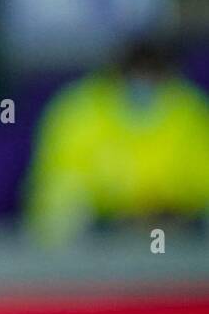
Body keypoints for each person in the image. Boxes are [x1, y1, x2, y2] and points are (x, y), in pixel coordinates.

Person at [22, 35, 209, 247]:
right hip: (102, 238)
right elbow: (58, 191)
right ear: (116, 73)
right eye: (136, 73)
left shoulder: (190, 109)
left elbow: (203, 178)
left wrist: (163, 210)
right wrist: (115, 215)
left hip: (180, 236)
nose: (143, 82)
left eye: (152, 73)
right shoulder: (79, 110)